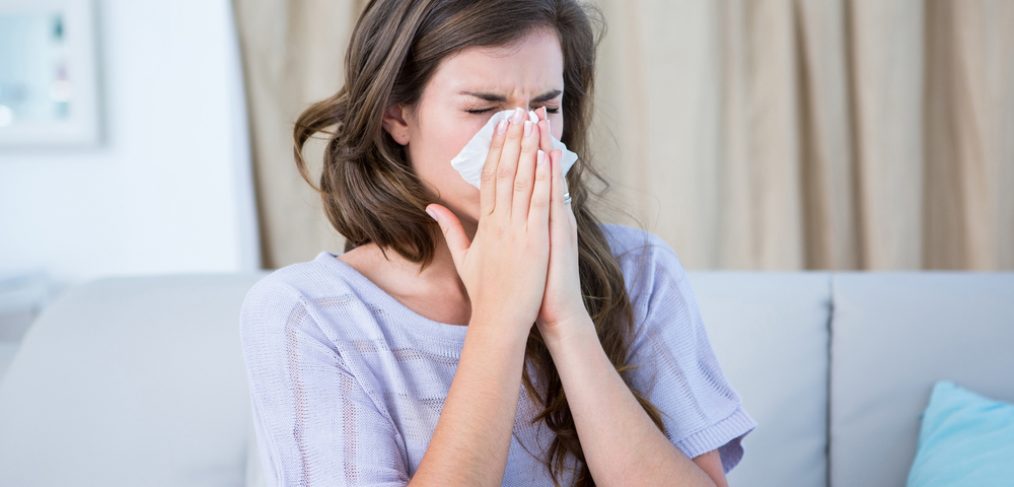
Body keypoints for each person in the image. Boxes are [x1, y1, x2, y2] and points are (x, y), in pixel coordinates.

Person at [238, 1, 757, 485]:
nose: (523, 138)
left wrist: (566, 321)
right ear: (396, 114)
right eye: (483, 109)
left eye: (546, 107)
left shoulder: (640, 269)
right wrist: (500, 318)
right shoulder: (308, 314)